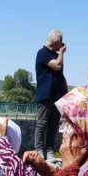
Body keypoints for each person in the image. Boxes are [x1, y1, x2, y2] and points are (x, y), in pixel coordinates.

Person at [33, 29, 69, 159]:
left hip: (57, 96)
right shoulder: (42, 53)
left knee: (54, 124)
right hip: (45, 95)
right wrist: (61, 53)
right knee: (42, 123)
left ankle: (50, 150)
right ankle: (39, 149)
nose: (63, 44)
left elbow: (60, 74)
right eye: (60, 42)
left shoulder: (55, 54)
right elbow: (57, 66)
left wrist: (65, 92)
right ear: (55, 43)